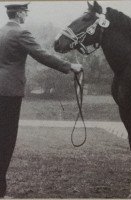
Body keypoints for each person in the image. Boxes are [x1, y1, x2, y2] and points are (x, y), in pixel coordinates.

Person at [0, 3, 83, 198]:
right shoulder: (21, 33)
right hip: (11, 92)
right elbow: (41, 55)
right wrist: (70, 65)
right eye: (25, 13)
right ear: (19, 13)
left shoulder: (1, 32)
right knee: (6, 141)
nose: (26, 16)